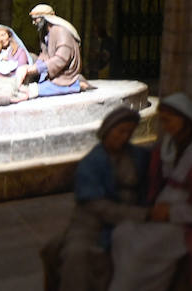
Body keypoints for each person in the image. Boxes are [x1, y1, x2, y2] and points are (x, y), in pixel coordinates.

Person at [109, 92, 192, 291]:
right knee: (121, 233)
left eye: (169, 121)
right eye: (163, 121)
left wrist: (169, 213)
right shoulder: (168, 146)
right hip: (160, 215)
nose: (165, 126)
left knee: (141, 251)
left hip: (188, 224)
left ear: (185, 121)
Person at [44, 106, 151, 291]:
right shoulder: (92, 163)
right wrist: (141, 214)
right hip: (91, 222)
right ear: (108, 130)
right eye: (120, 131)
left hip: (129, 220)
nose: (124, 137)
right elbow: (95, 205)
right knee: (78, 254)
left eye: (129, 132)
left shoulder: (138, 156)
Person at [26, 4, 86, 96]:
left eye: (36, 19)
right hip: (53, 71)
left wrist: (38, 68)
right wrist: (35, 66)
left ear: (45, 18)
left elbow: (61, 59)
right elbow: (44, 53)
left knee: (34, 91)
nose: (34, 23)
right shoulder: (45, 32)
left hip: (64, 74)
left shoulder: (61, 31)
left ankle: (75, 86)